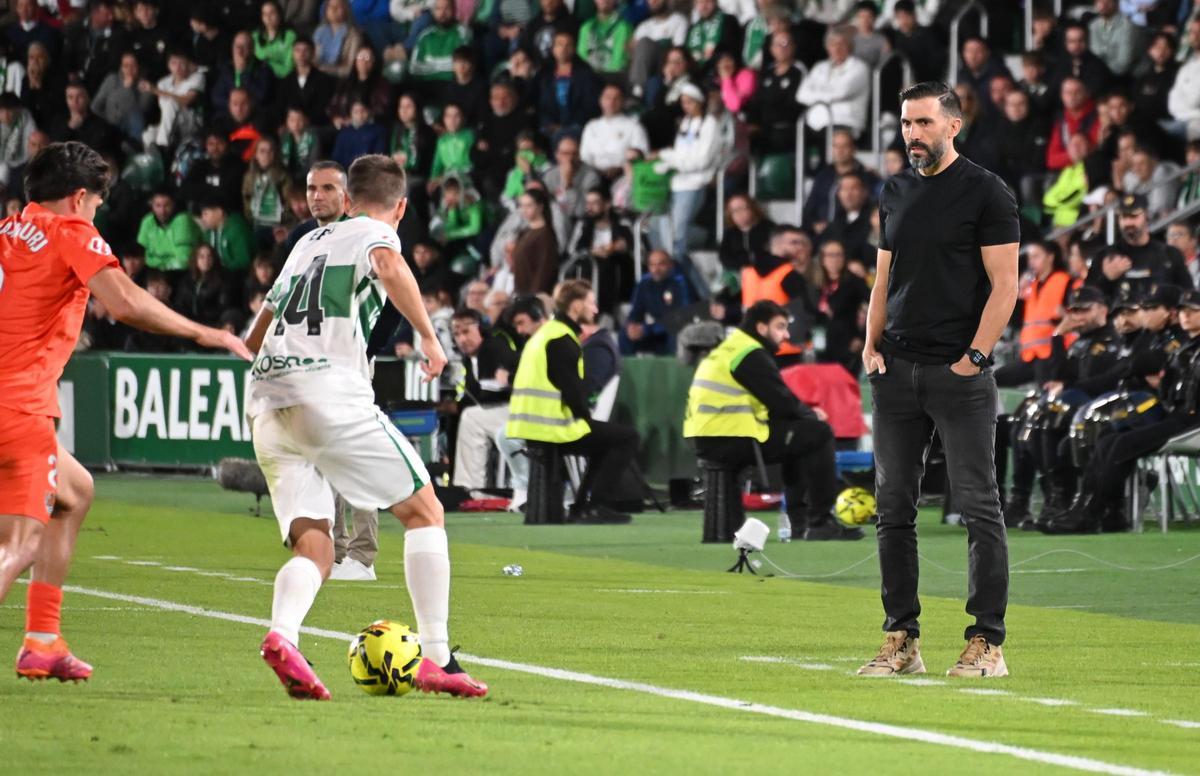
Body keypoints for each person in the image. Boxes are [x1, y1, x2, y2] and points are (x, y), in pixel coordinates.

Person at [0, 141, 249, 683]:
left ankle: (42, 640)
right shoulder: (71, 232)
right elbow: (124, 303)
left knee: (76, 492)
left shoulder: (8, 232)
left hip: (10, 403)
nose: (97, 215)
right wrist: (208, 333)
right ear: (79, 197)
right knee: (16, 545)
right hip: (16, 406)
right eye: (96, 204)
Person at [241, 153, 487, 700]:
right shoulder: (377, 233)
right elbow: (389, 267)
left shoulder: (306, 244)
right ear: (400, 206)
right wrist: (429, 337)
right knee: (425, 511)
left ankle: (283, 635)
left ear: (347, 198)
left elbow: (256, 333)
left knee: (317, 547)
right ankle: (438, 657)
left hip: (265, 397)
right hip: (326, 394)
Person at [858, 82, 1020, 679]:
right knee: (892, 508)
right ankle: (901, 638)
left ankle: (987, 642)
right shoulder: (895, 190)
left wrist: (974, 358)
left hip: (959, 374)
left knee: (979, 507)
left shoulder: (986, 191)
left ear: (953, 126)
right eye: (905, 124)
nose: (912, 135)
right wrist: (871, 346)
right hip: (896, 372)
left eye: (923, 123)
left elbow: (1006, 286)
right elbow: (883, 280)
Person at [684, 300, 863, 541]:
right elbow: (782, 402)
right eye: (779, 327)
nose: (786, 334)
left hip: (706, 436)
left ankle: (802, 524)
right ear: (761, 328)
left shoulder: (730, 348)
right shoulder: (749, 353)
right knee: (818, 433)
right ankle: (819, 522)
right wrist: (812, 414)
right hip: (728, 438)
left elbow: (775, 404)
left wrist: (802, 417)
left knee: (800, 435)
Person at [506, 279, 641, 524]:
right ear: (576, 306)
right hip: (552, 429)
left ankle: (584, 507)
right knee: (627, 437)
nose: (595, 309)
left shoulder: (545, 334)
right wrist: (586, 416)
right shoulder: (561, 338)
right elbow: (572, 392)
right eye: (591, 302)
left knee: (605, 439)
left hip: (530, 427)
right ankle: (594, 507)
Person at [451, 308, 519, 493]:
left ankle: (471, 488)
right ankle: (469, 487)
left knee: (471, 418)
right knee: (467, 417)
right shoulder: (469, 359)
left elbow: (499, 389)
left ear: (481, 329)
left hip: (520, 411)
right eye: (457, 334)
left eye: (466, 332)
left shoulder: (494, 348)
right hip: (502, 412)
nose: (462, 339)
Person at [1085, 192, 1192, 299]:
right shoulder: (1105, 257)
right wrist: (1106, 279)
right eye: (1124, 217)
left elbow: (1188, 296)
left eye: (1133, 216)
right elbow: (1087, 300)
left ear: (1146, 216)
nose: (1128, 223)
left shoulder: (1169, 255)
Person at [621, 249, 691, 355]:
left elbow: (679, 318)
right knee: (624, 334)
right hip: (654, 332)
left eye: (661, 264)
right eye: (652, 265)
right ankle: (626, 370)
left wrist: (647, 329)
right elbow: (635, 312)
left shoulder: (679, 282)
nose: (656, 269)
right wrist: (632, 327)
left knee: (675, 333)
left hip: (675, 330)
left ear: (670, 265)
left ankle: (673, 369)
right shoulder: (644, 283)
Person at [136, 188, 202, 274]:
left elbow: (183, 261)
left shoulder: (183, 221)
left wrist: (156, 262)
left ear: (174, 204)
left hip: (181, 274)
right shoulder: (147, 221)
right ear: (151, 205)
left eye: (167, 205)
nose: (162, 211)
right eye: (158, 205)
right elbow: (140, 256)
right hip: (153, 274)